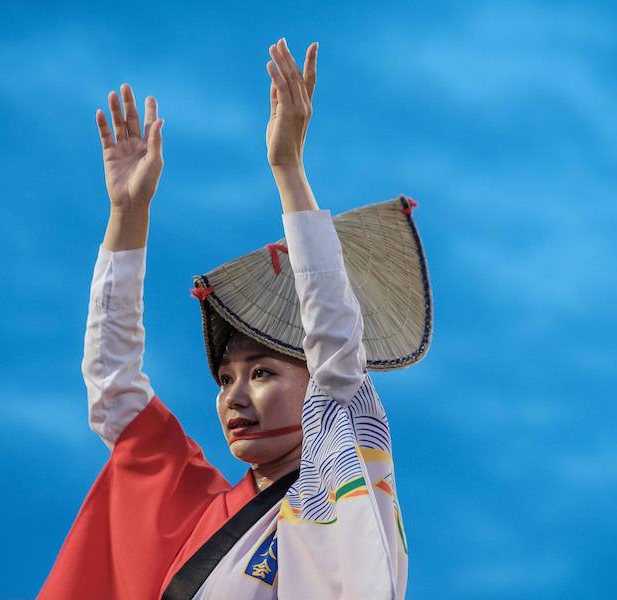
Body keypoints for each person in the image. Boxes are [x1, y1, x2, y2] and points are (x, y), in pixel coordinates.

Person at [37, 38, 410, 599]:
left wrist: (288, 169)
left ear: (316, 386)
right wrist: (128, 215)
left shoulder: (335, 494)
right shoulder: (197, 508)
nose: (235, 396)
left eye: (261, 373)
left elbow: (337, 354)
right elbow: (113, 385)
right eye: (224, 378)